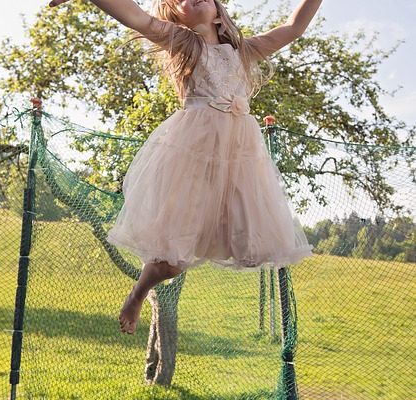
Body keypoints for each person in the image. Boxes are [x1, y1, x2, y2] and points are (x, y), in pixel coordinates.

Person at [49, 0, 322, 334]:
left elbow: (294, 28)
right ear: (176, 15)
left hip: (239, 160)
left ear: (219, 11)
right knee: (172, 263)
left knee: (250, 245)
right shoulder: (184, 43)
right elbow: (137, 17)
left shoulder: (245, 50)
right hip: (193, 155)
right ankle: (138, 293)